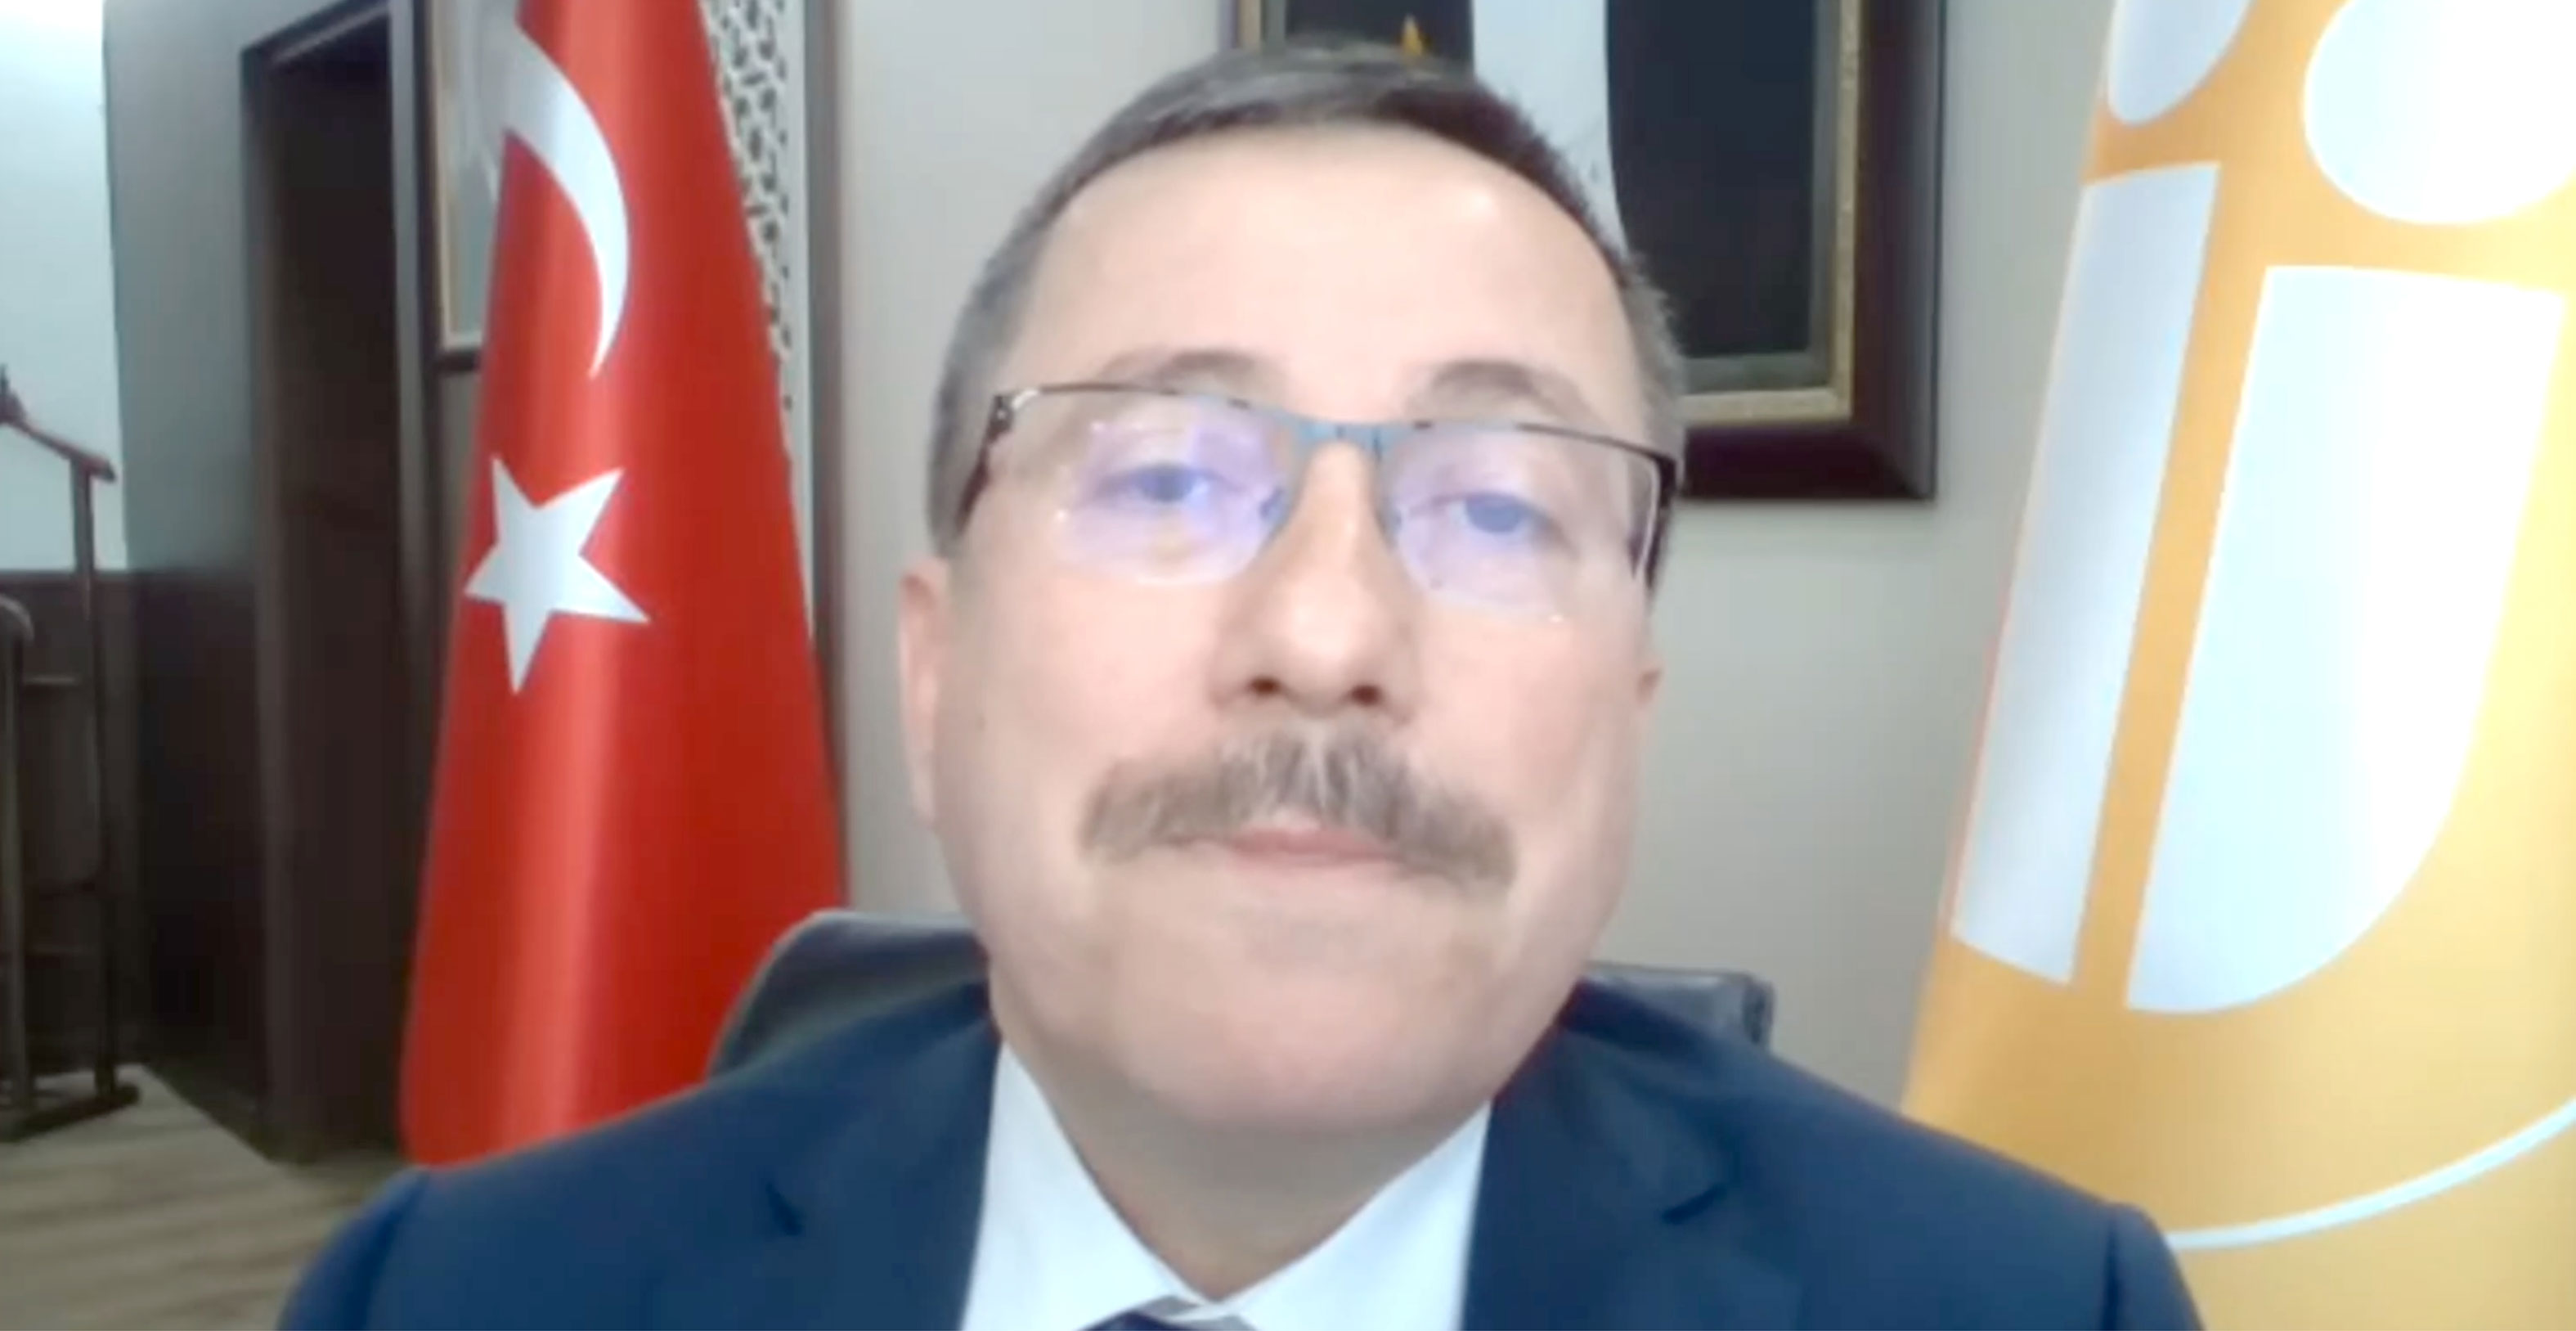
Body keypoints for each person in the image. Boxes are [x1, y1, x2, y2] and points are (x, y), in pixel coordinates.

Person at [281, 41, 2201, 1331]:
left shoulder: (2037, 1310)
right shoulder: (455, 1296)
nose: (1331, 633)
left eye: (1498, 505)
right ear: (934, 678)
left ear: (1629, 717)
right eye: (1164, 478)